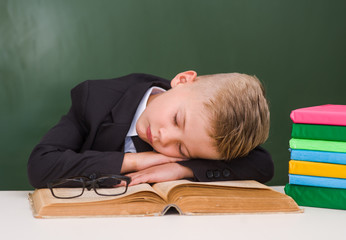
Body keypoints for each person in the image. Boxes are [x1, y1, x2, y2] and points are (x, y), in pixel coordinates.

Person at [27, 71, 274, 188]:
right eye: (177, 120)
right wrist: (135, 162)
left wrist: (181, 168)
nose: (163, 137)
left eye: (181, 147)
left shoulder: (203, 136)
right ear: (182, 81)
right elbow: (40, 166)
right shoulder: (94, 100)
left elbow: (263, 164)